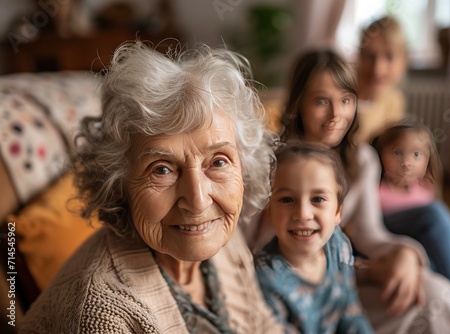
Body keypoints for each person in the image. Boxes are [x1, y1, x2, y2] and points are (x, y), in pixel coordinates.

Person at [20, 42, 284, 333]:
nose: (197, 202)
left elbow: (262, 324)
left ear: (244, 167)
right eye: (162, 169)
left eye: (218, 162)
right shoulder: (100, 310)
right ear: (118, 182)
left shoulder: (219, 237)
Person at [244, 49, 450, 333]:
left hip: (335, 283)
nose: (335, 115)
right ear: (298, 103)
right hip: (277, 291)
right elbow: (240, 247)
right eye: (321, 101)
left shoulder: (362, 160)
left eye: (345, 100)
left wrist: (405, 253)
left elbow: (368, 233)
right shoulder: (267, 161)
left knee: (431, 289)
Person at [254, 141, 373, 333]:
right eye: (286, 199)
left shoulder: (338, 245)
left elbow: (351, 314)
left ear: (337, 212)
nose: (302, 214)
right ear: (268, 211)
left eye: (317, 199)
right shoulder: (265, 278)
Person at [371, 119, 450, 298]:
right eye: (397, 153)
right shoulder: (375, 188)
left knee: (433, 266)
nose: (407, 162)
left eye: (416, 154)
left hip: (416, 249)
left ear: (428, 159)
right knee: (435, 212)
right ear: (381, 154)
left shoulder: (426, 188)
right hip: (387, 236)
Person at [357, 16, 408, 143]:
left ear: (404, 60)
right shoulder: (342, 98)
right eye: (370, 56)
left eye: (389, 56)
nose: (378, 69)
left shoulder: (395, 101)